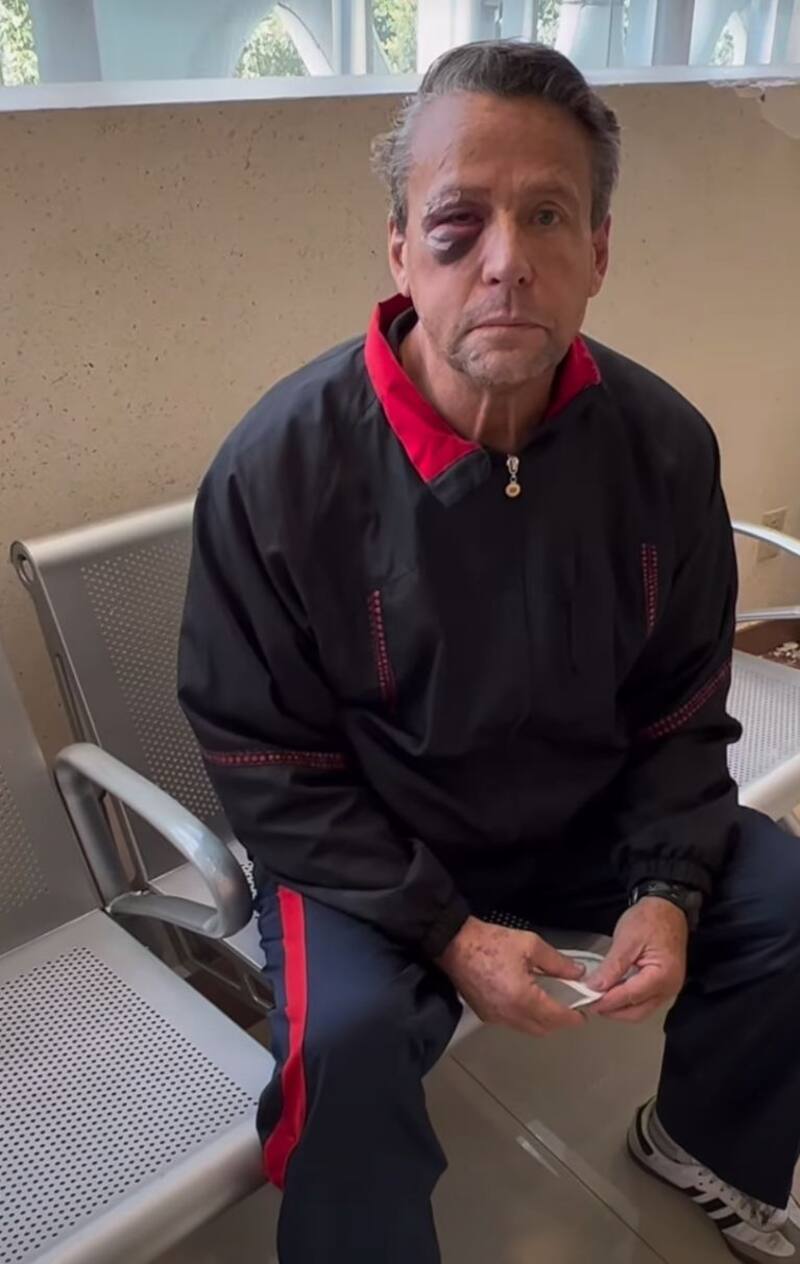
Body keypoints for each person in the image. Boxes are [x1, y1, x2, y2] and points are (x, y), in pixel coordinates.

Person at [178, 41, 800, 1264]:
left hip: (579, 818)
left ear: (598, 252)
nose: (504, 258)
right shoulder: (277, 472)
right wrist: (443, 928)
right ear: (399, 250)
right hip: (372, 845)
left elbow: (680, 710)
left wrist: (666, 887)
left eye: (547, 216)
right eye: (456, 222)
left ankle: (703, 1145)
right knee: (343, 1048)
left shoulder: (662, 448)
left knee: (784, 905)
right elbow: (264, 763)